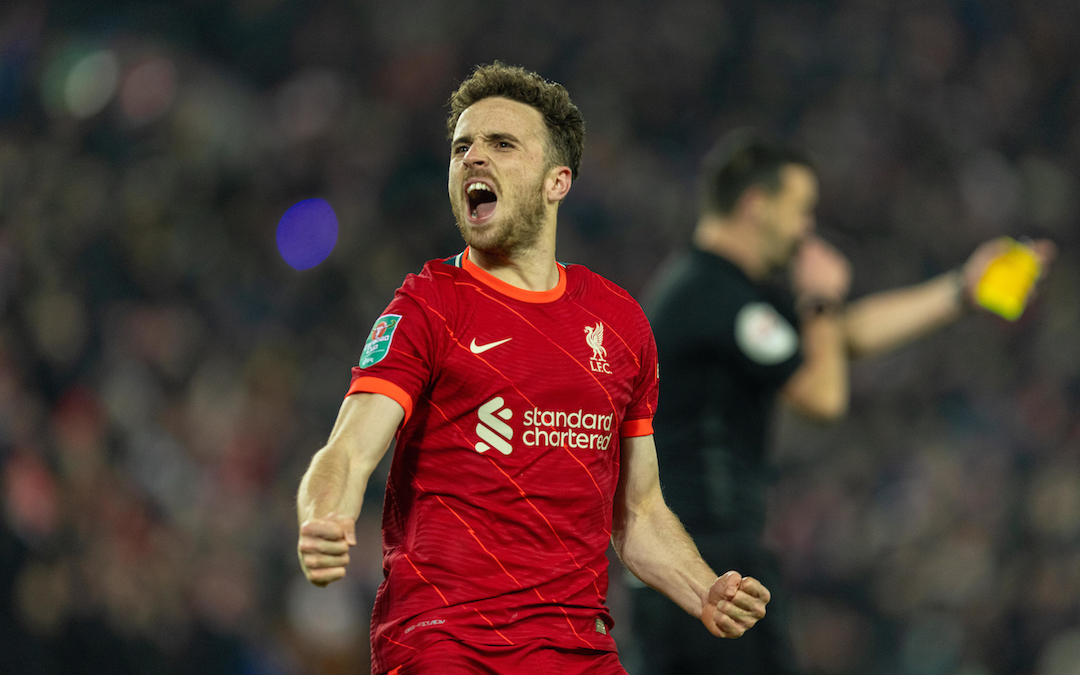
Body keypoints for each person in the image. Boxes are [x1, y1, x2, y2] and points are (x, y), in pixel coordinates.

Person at [295, 64, 771, 675]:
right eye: (462, 146)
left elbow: (639, 513)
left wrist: (704, 589)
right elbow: (348, 449)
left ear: (557, 182)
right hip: (446, 639)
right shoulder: (429, 305)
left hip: (577, 648)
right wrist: (324, 516)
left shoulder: (619, 323)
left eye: (501, 144)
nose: (472, 158)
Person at [629, 130, 1055, 675]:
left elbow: (838, 337)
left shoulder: (713, 289)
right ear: (757, 205)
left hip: (696, 565)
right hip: (703, 560)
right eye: (801, 209)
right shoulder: (714, 296)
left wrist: (961, 291)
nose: (807, 228)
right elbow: (823, 394)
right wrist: (822, 296)